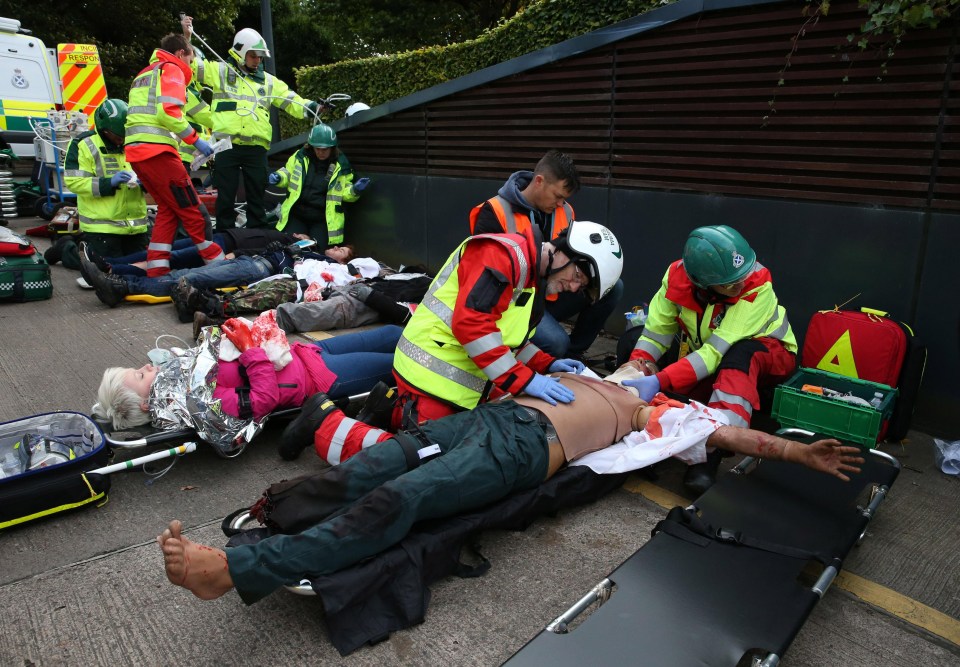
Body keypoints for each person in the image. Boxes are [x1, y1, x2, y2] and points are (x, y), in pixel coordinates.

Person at [155, 373, 864, 604]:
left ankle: (236, 570)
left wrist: (799, 453)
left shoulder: (659, 414)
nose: (652, 374)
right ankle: (274, 511)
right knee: (372, 468)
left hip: (525, 450)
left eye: (664, 376)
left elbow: (738, 436)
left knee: (401, 499)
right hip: (489, 420)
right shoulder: (592, 372)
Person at [392, 220, 624, 428]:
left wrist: (547, 364)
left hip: (460, 384)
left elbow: (508, 341)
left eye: (581, 287)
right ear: (566, 252)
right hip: (426, 380)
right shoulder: (500, 255)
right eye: (577, 277)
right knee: (427, 455)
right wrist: (526, 380)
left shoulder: (532, 280)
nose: (573, 288)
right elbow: (472, 327)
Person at [619, 224, 797, 494]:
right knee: (645, 356)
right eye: (731, 283)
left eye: (743, 274)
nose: (741, 283)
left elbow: (715, 353)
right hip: (715, 356)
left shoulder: (755, 287)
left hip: (770, 354)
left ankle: (712, 451)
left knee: (740, 355)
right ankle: (650, 434)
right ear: (704, 285)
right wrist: (637, 367)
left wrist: (660, 379)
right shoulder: (677, 278)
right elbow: (656, 334)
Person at [93, 324, 403, 430]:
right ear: (148, 403)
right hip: (318, 379)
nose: (146, 367)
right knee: (403, 362)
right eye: (140, 375)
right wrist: (250, 347)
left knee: (392, 334)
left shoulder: (182, 375)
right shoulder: (200, 404)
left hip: (306, 354)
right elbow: (263, 400)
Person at [470, 150, 624, 359]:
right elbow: (484, 284)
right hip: (514, 303)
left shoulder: (566, 211)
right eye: (558, 196)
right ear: (539, 181)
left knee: (612, 289)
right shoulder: (495, 211)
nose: (561, 204)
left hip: (552, 293)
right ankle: (553, 354)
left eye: (565, 199)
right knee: (556, 342)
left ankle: (572, 356)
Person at [184, 17, 323, 230]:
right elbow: (191, 66)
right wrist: (186, 37)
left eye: (259, 56)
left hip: (256, 148)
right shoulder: (221, 72)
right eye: (253, 55)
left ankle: (256, 236)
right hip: (226, 145)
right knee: (226, 196)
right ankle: (225, 236)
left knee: (257, 196)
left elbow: (290, 99)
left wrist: (311, 107)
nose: (257, 60)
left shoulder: (268, 81)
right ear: (240, 52)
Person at [124, 33, 225, 278]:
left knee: (168, 210)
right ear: (181, 53)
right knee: (192, 208)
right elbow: (168, 113)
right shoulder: (172, 69)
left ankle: (157, 268)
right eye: (190, 61)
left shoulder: (145, 73)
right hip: (157, 150)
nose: (190, 67)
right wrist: (197, 140)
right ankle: (217, 263)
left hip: (137, 151)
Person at [78, 240, 339, 308]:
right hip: (252, 260)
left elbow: (299, 281)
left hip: (258, 271)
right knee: (185, 272)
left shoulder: (328, 266)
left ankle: (121, 286)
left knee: (187, 280)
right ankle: (117, 281)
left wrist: (287, 261)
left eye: (342, 250)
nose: (336, 248)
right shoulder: (307, 251)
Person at [48, 99, 150, 271]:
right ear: (104, 130)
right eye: (118, 137)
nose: (121, 141)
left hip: (135, 226)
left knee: (138, 268)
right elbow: (74, 182)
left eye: (124, 137)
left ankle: (78, 247)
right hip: (103, 227)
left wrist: (146, 181)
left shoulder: (134, 141)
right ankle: (67, 249)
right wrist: (108, 183)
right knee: (103, 269)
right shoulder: (84, 144)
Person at [270, 124, 369, 246]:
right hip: (297, 214)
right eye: (317, 148)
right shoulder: (300, 157)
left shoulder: (341, 166)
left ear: (332, 148)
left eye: (325, 149)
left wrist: (355, 190)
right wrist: (279, 177)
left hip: (322, 219)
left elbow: (344, 193)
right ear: (311, 147)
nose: (321, 152)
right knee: (289, 246)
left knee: (318, 252)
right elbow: (287, 173)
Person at [89, 228, 335, 276]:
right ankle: (111, 262)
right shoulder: (283, 234)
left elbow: (259, 249)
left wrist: (236, 255)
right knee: (166, 251)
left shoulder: (285, 246)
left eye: (308, 241)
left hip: (224, 247)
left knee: (171, 259)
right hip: (222, 237)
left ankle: (114, 269)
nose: (303, 238)